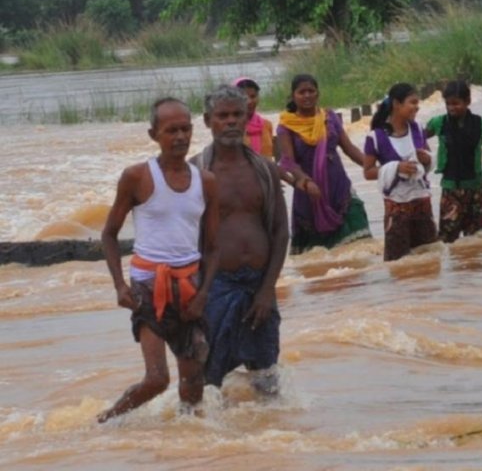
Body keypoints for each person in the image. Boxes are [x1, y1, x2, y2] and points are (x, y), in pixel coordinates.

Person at [98, 98, 220, 423]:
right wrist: (119, 285)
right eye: (171, 130)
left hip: (190, 288)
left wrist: (204, 294)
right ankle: (107, 422)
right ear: (154, 134)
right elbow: (109, 234)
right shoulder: (137, 177)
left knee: (194, 383)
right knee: (157, 380)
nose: (180, 136)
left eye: (185, 129)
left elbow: (213, 246)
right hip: (148, 289)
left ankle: (187, 441)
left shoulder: (205, 181)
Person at [190, 85, 289, 393]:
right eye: (223, 116)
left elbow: (280, 232)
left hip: (259, 282)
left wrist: (266, 289)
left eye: (237, 115)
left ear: (248, 118)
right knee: (210, 373)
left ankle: (269, 436)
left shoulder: (264, 170)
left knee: (266, 373)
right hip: (215, 285)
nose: (231, 122)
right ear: (208, 121)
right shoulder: (194, 172)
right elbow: (181, 237)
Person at [276, 74, 372, 254]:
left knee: (358, 249)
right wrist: (306, 182)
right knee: (316, 255)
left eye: (311, 91)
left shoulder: (330, 118)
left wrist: (374, 167)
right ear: (293, 96)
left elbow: (349, 148)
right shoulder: (286, 126)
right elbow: (288, 161)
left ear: (317, 94)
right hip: (309, 194)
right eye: (301, 92)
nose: (306, 96)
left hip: (339, 188)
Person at [363, 83, 437, 261]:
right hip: (397, 208)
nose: (417, 107)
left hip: (422, 203)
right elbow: (368, 172)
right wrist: (396, 167)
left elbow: (429, 159)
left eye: (417, 102)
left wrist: (426, 159)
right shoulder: (375, 137)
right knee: (397, 263)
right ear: (397, 104)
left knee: (430, 259)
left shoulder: (418, 129)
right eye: (412, 102)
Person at [425, 81, 482, 243]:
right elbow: (414, 139)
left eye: (456, 103)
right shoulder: (439, 123)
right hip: (450, 192)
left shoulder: (481, 125)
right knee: (447, 242)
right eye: (448, 104)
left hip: (476, 192)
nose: (451, 108)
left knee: (479, 242)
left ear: (467, 102)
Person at [234, 77, 274, 160]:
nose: (249, 101)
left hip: (266, 171)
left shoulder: (266, 125)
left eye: (253, 96)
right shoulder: (231, 127)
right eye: (244, 98)